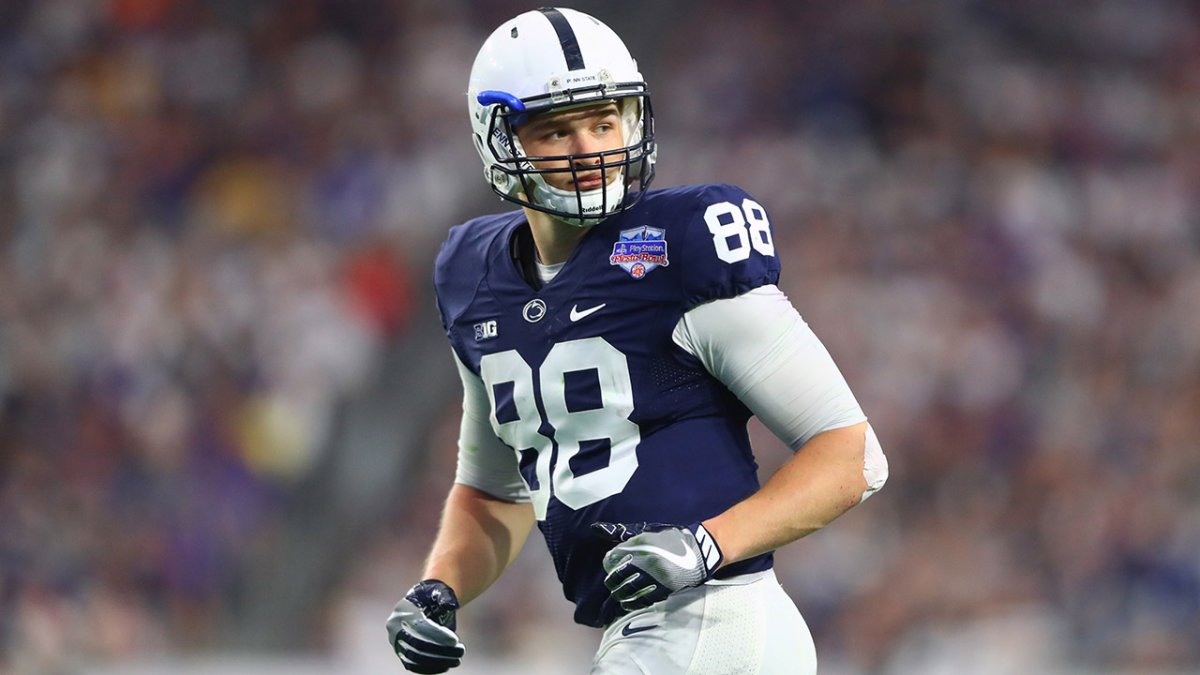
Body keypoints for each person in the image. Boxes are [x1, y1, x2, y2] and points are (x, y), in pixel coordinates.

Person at [386, 7, 889, 674]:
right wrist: (440, 587)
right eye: (557, 131)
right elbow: (495, 489)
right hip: (646, 635)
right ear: (499, 138)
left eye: (603, 121)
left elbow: (851, 454)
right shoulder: (471, 273)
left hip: (717, 615)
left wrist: (706, 544)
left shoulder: (679, 246)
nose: (589, 149)